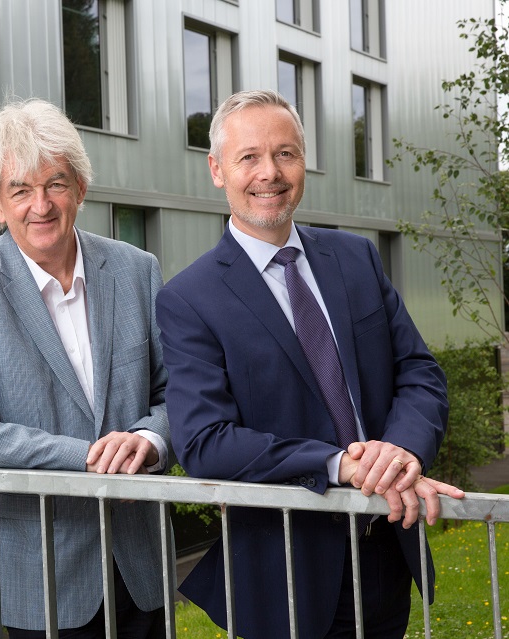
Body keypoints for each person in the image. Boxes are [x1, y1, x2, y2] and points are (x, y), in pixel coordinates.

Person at [156, 89, 466, 638]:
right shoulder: (189, 298)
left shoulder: (356, 258)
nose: (269, 173)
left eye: (286, 153)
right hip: (283, 572)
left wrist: (400, 451)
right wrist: (338, 464)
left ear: (303, 162)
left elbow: (419, 372)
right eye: (248, 156)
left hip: (384, 551)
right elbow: (204, 440)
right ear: (217, 170)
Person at [0, 98, 170, 639]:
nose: (41, 205)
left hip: (140, 561)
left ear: (80, 188)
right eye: (20, 190)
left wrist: (151, 439)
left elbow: (178, 393)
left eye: (56, 183)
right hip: (36, 571)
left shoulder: (137, 271)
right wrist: (83, 458)